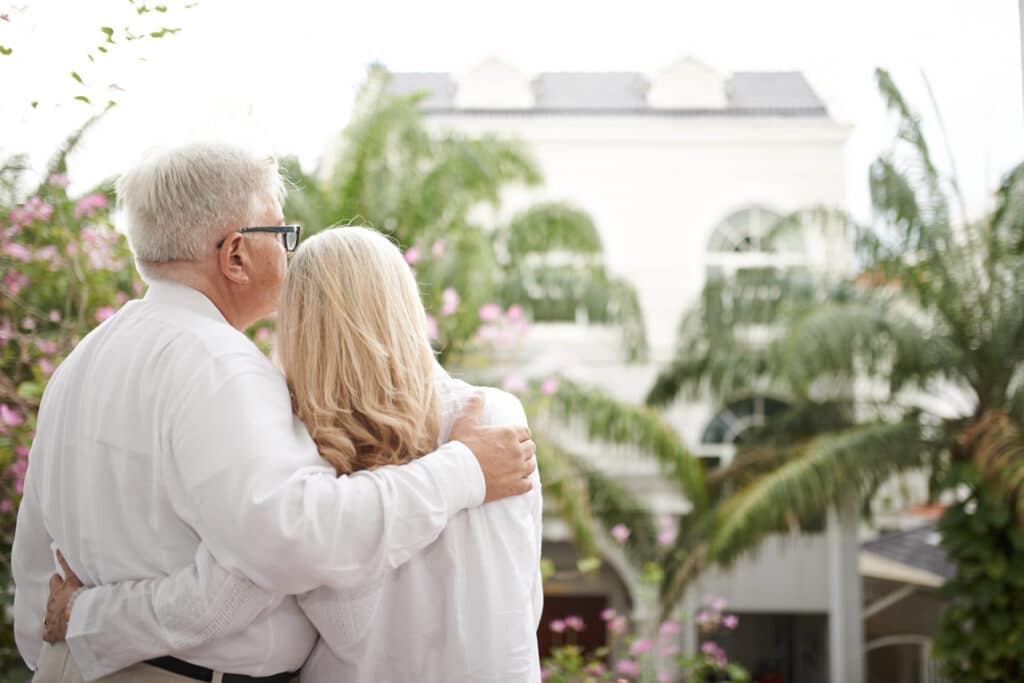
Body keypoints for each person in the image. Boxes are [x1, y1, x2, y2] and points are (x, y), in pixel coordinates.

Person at [12, 143, 536, 682]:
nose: (290, 255)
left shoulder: (81, 362)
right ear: (236, 254)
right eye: (283, 235)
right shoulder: (222, 366)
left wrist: (79, 624)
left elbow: (34, 576)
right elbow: (285, 551)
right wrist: (466, 469)